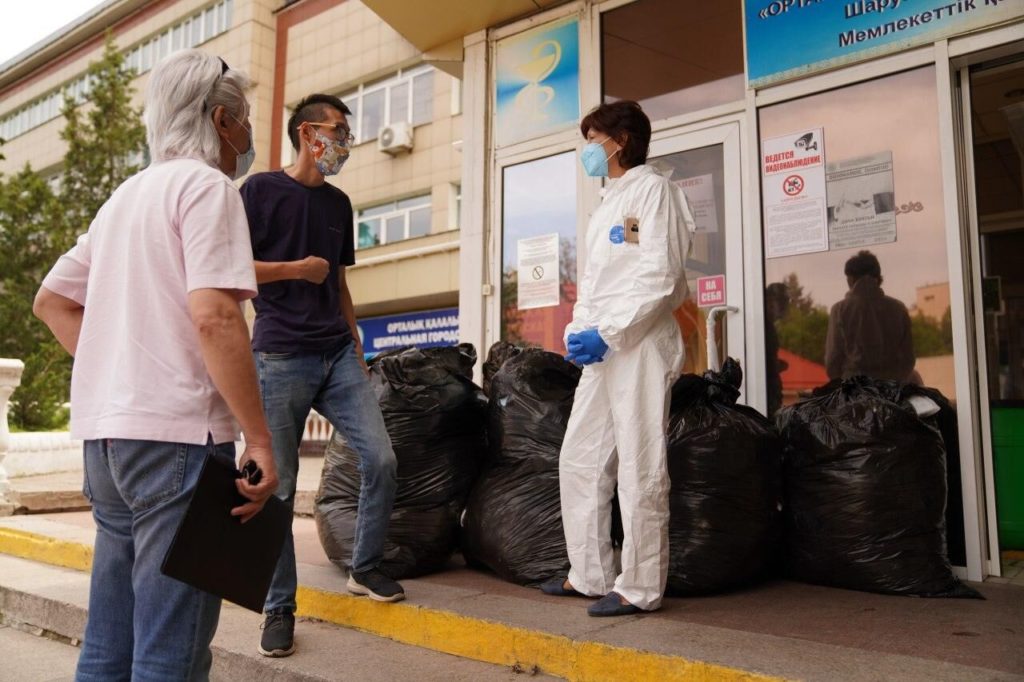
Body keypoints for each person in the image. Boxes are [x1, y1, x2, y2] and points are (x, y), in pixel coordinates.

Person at [32, 50, 279, 681]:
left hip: (108, 444)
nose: (250, 136)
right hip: (178, 443)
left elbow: (52, 301)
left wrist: (119, 368)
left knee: (110, 641)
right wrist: (260, 436)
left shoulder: (124, 198)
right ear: (221, 121)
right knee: (171, 649)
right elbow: (216, 317)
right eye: (245, 119)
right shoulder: (208, 187)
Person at [240, 93, 402, 658]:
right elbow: (231, 267)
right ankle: (279, 606)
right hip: (280, 354)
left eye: (348, 134)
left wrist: (356, 342)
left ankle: (365, 565)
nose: (347, 143)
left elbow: (338, 282)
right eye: (340, 132)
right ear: (309, 134)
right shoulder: (259, 192)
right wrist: (294, 269)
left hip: (336, 353)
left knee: (380, 457)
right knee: (279, 489)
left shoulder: (339, 203)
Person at [541, 100, 694, 617]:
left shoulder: (656, 192)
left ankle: (641, 586)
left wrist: (609, 331)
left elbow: (661, 276)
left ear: (621, 140)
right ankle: (589, 574)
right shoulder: (608, 202)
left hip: (641, 345)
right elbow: (597, 281)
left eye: (592, 139)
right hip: (602, 351)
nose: (586, 150)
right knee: (579, 458)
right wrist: (581, 329)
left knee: (639, 464)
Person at [825, 250, 915, 382]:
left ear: (851, 278)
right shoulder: (898, 308)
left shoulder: (840, 310)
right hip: (891, 391)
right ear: (878, 277)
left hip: (853, 391)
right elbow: (908, 359)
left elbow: (832, 361)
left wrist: (844, 383)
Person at [764, 282, 791, 415]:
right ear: (769, 301)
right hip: (766, 394)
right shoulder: (763, 327)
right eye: (783, 302)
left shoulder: (769, 327)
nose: (785, 307)